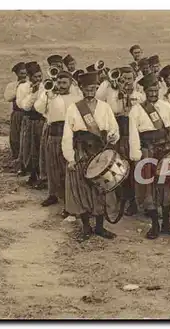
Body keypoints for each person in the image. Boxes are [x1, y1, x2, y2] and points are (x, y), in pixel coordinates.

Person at [62, 72, 120, 241]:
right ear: (81, 88)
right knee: (83, 189)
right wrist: (70, 158)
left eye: (93, 88)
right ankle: (86, 227)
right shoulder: (74, 108)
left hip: (100, 151)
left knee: (100, 188)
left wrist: (112, 136)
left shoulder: (105, 107)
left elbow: (114, 128)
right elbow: (67, 134)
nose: (90, 91)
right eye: (87, 88)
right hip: (81, 152)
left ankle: (100, 227)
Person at [129, 73, 170, 239]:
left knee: (166, 186)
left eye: (155, 90)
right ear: (145, 91)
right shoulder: (136, 110)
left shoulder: (166, 106)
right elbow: (133, 135)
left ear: (159, 90)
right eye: (150, 91)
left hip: (165, 150)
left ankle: (166, 223)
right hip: (147, 152)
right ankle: (154, 225)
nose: (153, 94)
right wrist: (136, 154)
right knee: (149, 188)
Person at [34, 71, 83, 216]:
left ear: (70, 83)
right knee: (52, 165)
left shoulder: (76, 98)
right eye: (59, 82)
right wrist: (47, 95)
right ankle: (53, 194)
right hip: (53, 134)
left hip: (69, 135)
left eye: (64, 83)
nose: (60, 86)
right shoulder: (50, 95)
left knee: (66, 167)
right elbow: (38, 108)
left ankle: (69, 203)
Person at [104, 66, 145, 215]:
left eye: (130, 79)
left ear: (134, 80)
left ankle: (135, 201)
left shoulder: (139, 96)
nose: (127, 82)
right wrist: (117, 93)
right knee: (120, 169)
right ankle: (123, 198)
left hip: (134, 136)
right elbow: (112, 110)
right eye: (123, 79)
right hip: (120, 136)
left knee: (135, 170)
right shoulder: (113, 94)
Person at [16, 61, 45, 187]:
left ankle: (42, 176)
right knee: (30, 148)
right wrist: (33, 93)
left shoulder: (45, 86)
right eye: (35, 77)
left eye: (40, 76)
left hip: (41, 120)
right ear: (29, 76)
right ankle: (33, 175)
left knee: (41, 148)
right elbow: (23, 106)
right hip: (29, 121)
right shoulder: (23, 87)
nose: (38, 79)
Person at [4, 62, 27, 163]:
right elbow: (8, 98)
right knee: (15, 137)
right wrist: (18, 88)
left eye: (25, 73)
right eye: (21, 73)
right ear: (17, 74)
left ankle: (25, 160)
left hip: (27, 114)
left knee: (26, 138)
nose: (23, 76)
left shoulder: (30, 84)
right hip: (17, 114)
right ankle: (16, 158)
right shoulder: (11, 85)